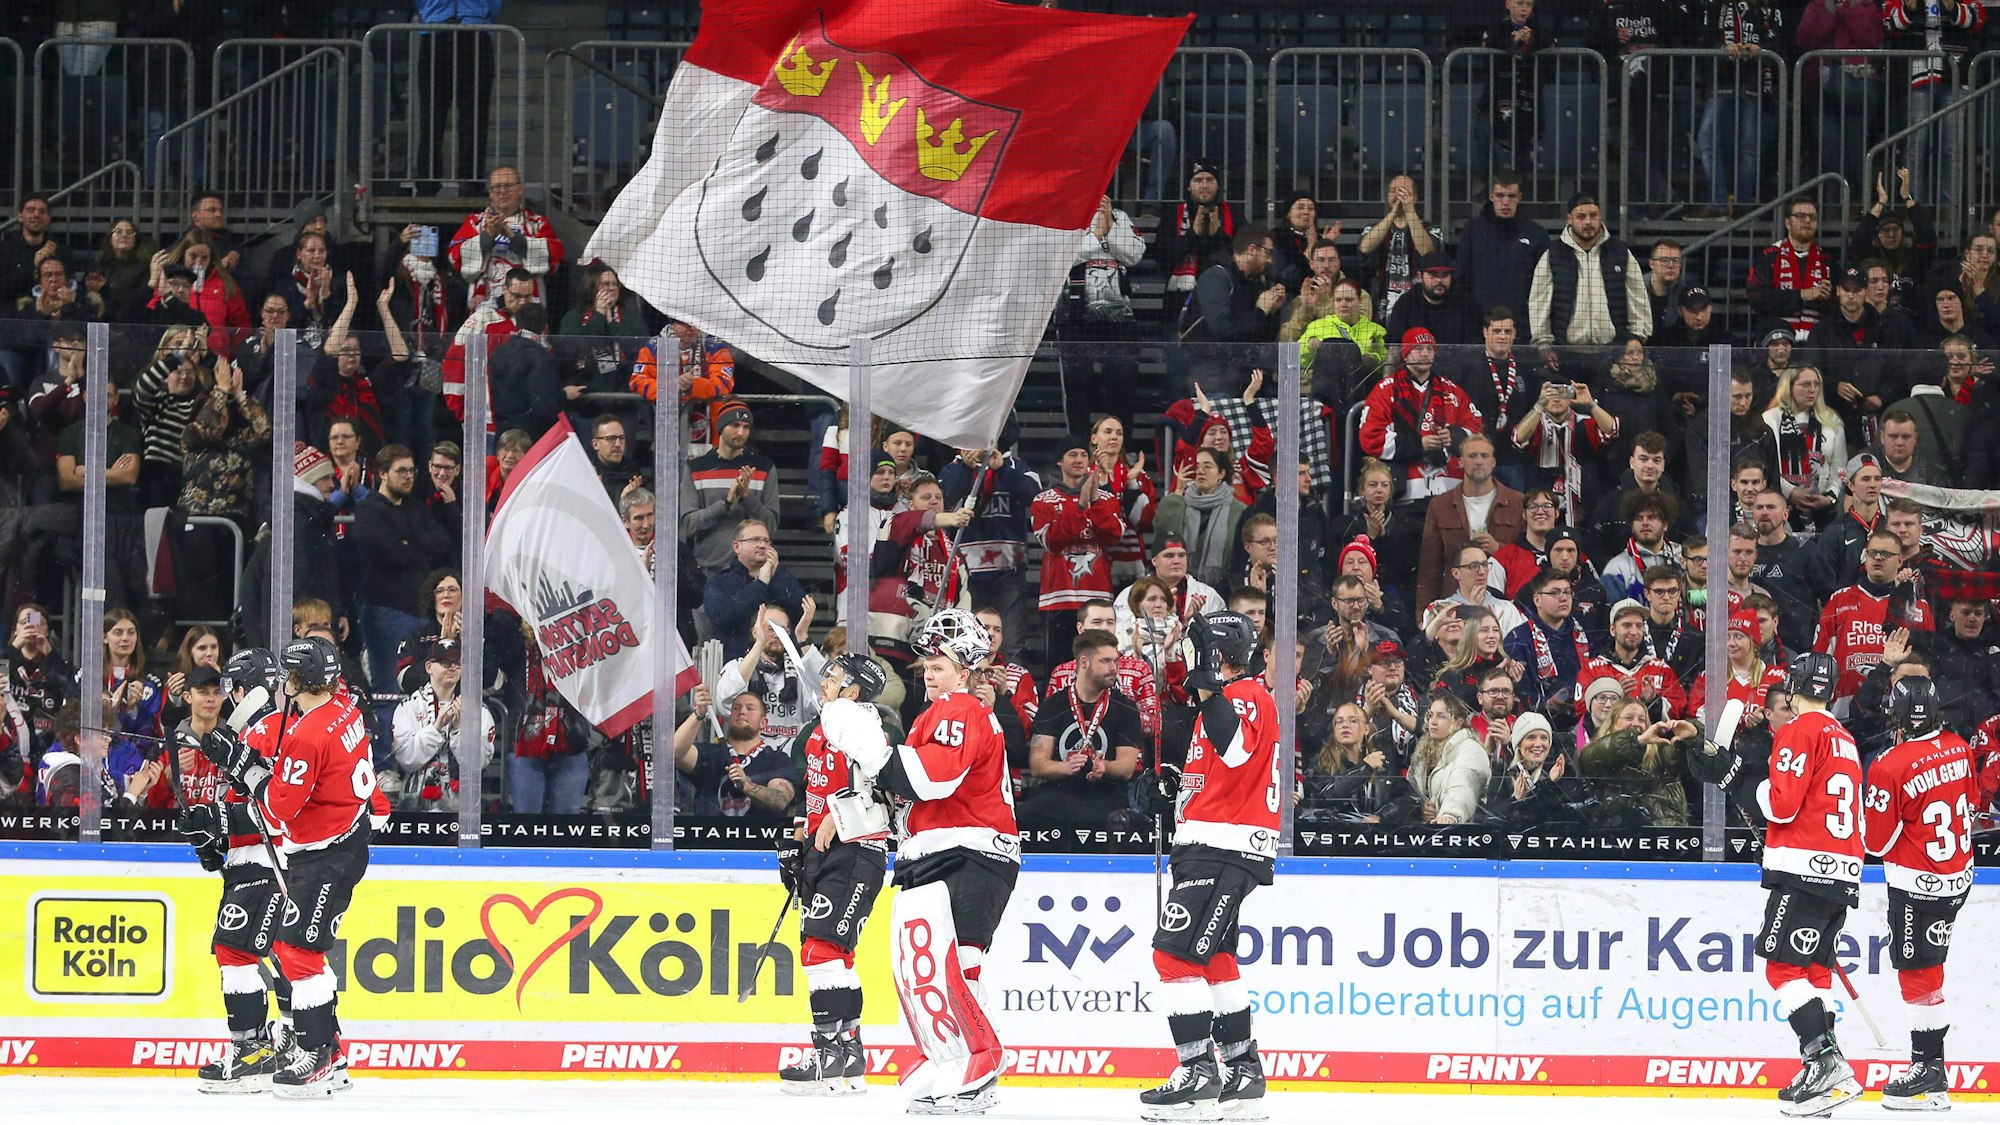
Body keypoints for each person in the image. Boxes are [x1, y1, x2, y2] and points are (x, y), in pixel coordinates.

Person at [815, 609, 1018, 1113]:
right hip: (943, 849)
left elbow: (930, 780)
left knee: (948, 968)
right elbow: (909, 794)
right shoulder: (932, 716)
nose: (929, 672)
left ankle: (976, 1063)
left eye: (940, 664)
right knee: (934, 968)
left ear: (965, 670)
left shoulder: (961, 708)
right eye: (927, 663)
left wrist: (865, 740)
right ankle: (956, 1061)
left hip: (968, 850)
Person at [194, 636, 385, 1097]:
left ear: (298, 679)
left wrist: (242, 769)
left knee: (295, 952)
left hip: (322, 852)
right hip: (332, 845)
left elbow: (278, 807)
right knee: (292, 949)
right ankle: (326, 1055)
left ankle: (315, 1055)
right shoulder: (344, 709)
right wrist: (246, 765)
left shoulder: (306, 732)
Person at [1688, 652, 1865, 1116]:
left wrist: (1733, 776)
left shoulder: (1798, 729)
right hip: (1842, 869)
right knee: (1815, 972)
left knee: (1782, 970)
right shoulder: (1844, 737)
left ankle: (1826, 1065)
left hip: (1806, 868)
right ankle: (1821, 1073)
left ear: (1791, 687)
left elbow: (1782, 806)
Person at [1134, 611, 1275, 1120]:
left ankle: (1197, 1072)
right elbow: (1222, 772)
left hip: (1222, 847)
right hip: (1217, 843)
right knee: (1216, 962)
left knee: (1172, 958)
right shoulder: (1227, 702)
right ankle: (1242, 1070)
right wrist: (1172, 785)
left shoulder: (1241, 696)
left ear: (1211, 656)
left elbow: (1235, 750)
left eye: (1193, 651)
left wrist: (1208, 683)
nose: (1184, 658)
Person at [173, 654, 295, 1092]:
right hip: (264, 858)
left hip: (265, 859)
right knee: (281, 953)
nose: (227, 697)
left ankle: (252, 1053)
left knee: (235, 952)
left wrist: (218, 820)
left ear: (243, 689)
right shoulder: (265, 729)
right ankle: (300, 1043)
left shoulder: (264, 730)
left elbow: (275, 807)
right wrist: (212, 834)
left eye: (231, 688)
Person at [774, 654, 893, 1095]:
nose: (825, 681)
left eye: (835, 677)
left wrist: (836, 817)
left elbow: (881, 790)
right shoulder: (822, 727)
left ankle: (826, 1057)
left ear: (853, 691)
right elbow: (816, 788)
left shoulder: (865, 728)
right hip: (825, 851)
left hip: (856, 849)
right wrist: (799, 836)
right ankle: (848, 1053)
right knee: (836, 955)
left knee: (820, 952)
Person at [1862, 676, 1978, 1110]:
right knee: (1931, 972)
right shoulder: (1960, 748)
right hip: (1958, 878)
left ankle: (1928, 1072)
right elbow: (1970, 805)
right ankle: (1932, 1071)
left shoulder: (1889, 765)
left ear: (1895, 715)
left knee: (1918, 976)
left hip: (1917, 885)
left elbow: (1876, 842)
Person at [1021, 629, 1142, 834]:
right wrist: (1066, 767)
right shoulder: (1053, 705)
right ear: (1084, 662)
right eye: (1105, 661)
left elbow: (1126, 767)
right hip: (1059, 793)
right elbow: (1037, 765)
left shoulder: (1125, 708)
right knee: (1027, 814)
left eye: (1115, 661)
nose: (1114, 668)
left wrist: (1103, 767)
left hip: (1107, 794)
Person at [1356, 328, 1485, 508]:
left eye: (1429, 348)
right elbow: (1370, 438)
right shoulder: (1386, 390)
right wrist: (1418, 444)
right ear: (1406, 354)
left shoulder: (1453, 391)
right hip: (1404, 493)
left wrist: (1455, 436)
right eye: (1418, 348)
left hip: (1451, 492)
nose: (1425, 353)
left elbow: (1478, 431)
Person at [1032, 433, 1129, 666]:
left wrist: (1094, 501)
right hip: (1058, 599)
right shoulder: (1043, 500)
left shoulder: (1106, 498)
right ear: (1060, 461)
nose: (1078, 459)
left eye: (1083, 455)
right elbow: (1052, 541)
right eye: (1072, 454)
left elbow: (1114, 535)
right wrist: (1080, 506)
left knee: (1098, 664)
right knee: (1058, 667)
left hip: (1097, 598)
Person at [1527, 193, 1653, 365]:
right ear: (1569, 219)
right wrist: (1543, 345)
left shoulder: (1620, 252)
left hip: (1614, 354)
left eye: (1593, 215)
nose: (1588, 221)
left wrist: (1636, 336)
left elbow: (1638, 297)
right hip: (1565, 355)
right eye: (1581, 216)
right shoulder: (1553, 254)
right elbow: (1538, 302)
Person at [1415, 434, 1524, 608]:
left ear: (1493, 462)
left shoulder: (1517, 502)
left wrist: (1499, 549)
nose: (1479, 461)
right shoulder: (1440, 505)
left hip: (1505, 605)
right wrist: (1424, 614)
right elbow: (1429, 569)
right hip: (1454, 605)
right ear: (1460, 462)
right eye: (1472, 456)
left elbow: (1528, 559)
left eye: (1484, 456)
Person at [389, 638, 495, 813]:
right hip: (415, 803)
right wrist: (436, 728)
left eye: (458, 663)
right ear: (429, 667)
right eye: (445, 663)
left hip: (463, 806)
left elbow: (477, 764)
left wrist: (458, 730)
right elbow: (406, 759)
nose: (453, 667)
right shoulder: (409, 707)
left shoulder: (478, 710)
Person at [681, 398, 780, 582]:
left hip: (753, 572)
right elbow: (688, 525)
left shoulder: (763, 467)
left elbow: (771, 524)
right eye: (734, 425)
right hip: (708, 571)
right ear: (721, 427)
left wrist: (747, 497)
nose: (741, 432)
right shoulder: (696, 468)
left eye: (746, 427)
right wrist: (725, 503)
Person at [674, 690, 801, 827]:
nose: (742, 712)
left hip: (761, 838)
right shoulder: (710, 753)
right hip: (709, 837)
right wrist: (698, 714)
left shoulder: (777, 760)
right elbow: (675, 752)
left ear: (763, 722)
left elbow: (780, 800)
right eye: (736, 708)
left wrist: (746, 785)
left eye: (750, 708)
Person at [448, 165, 564, 308]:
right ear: (490, 192)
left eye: (508, 186)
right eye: (497, 187)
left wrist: (514, 237)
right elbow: (455, 257)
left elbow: (555, 256)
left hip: (527, 306)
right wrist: (488, 236)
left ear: (520, 189)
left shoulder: (537, 223)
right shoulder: (475, 222)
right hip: (485, 307)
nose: (503, 191)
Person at [703, 519, 808, 660]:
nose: (762, 545)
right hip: (736, 662)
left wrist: (774, 576)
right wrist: (761, 584)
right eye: (755, 540)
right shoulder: (719, 582)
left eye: (766, 541)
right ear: (737, 547)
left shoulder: (783, 578)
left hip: (781, 662)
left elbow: (801, 611)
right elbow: (722, 616)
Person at [1455, 172, 1549, 324]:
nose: (1505, 202)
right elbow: (1462, 278)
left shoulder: (1536, 234)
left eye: (1511, 196)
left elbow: (1544, 284)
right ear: (1491, 196)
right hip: (1479, 323)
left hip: (1523, 324)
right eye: (1500, 196)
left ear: (1519, 197)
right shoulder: (1472, 231)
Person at [1580, 600, 1688, 720]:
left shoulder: (1662, 670)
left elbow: (1680, 712)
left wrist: (1653, 702)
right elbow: (1581, 715)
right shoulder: (1592, 670)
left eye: (1639, 626)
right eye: (1627, 625)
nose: (1634, 632)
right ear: (1612, 630)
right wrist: (1613, 696)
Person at [1356, 174, 1443, 320]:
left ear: (1415, 198)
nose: (1398, 195)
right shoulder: (1375, 228)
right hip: (1380, 307)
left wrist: (1409, 211)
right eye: (1393, 191)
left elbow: (1428, 253)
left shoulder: (1430, 229)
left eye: (1404, 191)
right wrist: (1393, 214)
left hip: (1420, 308)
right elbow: (1364, 248)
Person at [1503, 571, 1590, 709]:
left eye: (1567, 592)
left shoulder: (1586, 631)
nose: (1564, 598)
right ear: (1537, 600)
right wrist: (1545, 704)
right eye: (1555, 593)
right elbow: (1517, 691)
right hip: (1539, 717)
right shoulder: (1517, 639)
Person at [1406, 693, 1491, 825]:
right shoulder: (1423, 750)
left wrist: (1450, 814)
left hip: (1465, 830)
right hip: (1429, 829)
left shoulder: (1470, 750)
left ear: (1458, 723)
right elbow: (1411, 789)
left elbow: (1463, 785)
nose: (1433, 721)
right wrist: (1420, 807)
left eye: (1441, 716)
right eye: (1430, 715)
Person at [1383, 251, 1481, 347]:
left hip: (1456, 358)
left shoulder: (1467, 304)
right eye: (1433, 274)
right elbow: (1395, 344)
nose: (1439, 280)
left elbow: (1473, 347)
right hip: (1416, 358)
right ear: (1420, 276)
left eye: (1445, 274)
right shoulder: (1405, 304)